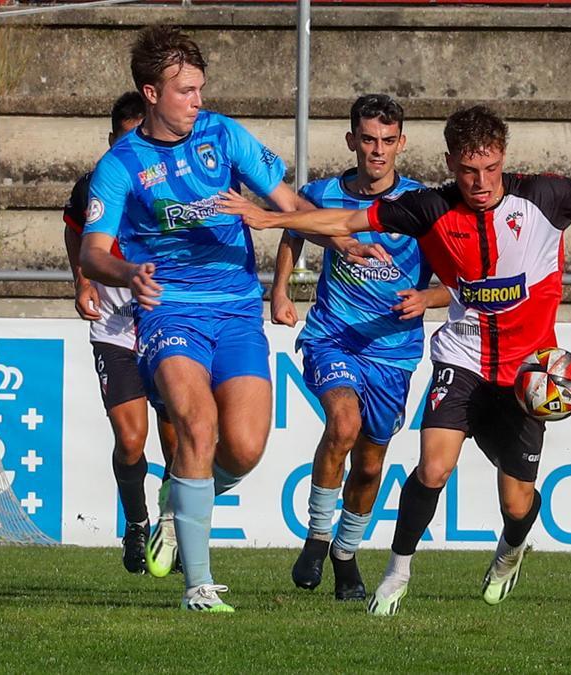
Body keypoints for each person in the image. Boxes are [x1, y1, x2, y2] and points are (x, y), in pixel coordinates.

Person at [219, 105, 571, 616]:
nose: (480, 181)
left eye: (490, 168)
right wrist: (269, 217)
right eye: (469, 170)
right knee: (433, 466)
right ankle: (396, 573)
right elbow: (350, 217)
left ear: (503, 159)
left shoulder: (547, 195)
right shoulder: (431, 206)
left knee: (517, 504)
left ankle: (511, 549)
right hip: (463, 358)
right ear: (451, 164)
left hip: (527, 373)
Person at [79, 26, 375, 613]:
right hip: (170, 311)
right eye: (185, 90)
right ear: (151, 93)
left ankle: (177, 505)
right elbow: (92, 251)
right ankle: (198, 584)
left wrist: (342, 240)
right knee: (196, 425)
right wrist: (126, 273)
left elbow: (290, 205)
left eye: (199, 88)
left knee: (241, 449)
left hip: (237, 310)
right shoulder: (120, 165)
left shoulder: (223, 135)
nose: (196, 100)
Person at [271, 94, 448, 601]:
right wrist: (280, 289)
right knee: (342, 423)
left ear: (401, 144)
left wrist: (428, 297)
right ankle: (317, 537)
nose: (377, 151)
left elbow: (456, 274)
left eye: (387, 142)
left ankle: (345, 557)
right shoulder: (323, 192)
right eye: (368, 140)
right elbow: (294, 228)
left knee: (370, 464)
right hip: (334, 335)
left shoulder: (423, 202)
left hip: (393, 350)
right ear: (352, 141)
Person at [62, 91, 179, 575]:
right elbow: (74, 229)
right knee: (131, 441)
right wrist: (82, 279)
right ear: (112, 139)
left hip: (169, 325)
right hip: (115, 329)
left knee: (179, 443)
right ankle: (136, 523)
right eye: (125, 137)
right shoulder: (94, 185)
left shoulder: (174, 181)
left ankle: (173, 529)